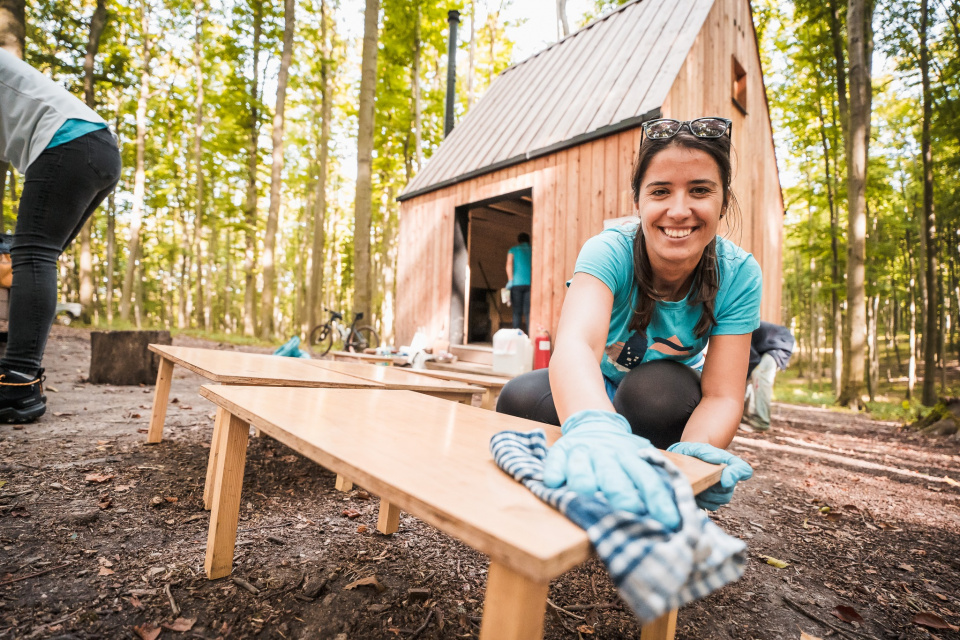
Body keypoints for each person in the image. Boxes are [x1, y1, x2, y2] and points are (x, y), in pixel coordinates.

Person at [497, 117, 759, 527]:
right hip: (597, 383)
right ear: (638, 201)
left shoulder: (739, 273)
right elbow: (577, 345)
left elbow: (723, 394)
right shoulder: (608, 250)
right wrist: (594, 426)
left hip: (661, 398)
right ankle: (573, 493)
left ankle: (653, 489)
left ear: (723, 201)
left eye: (700, 190)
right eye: (660, 191)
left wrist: (692, 456)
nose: (678, 210)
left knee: (653, 392)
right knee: (517, 398)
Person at [0, 49, 122, 424]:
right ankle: (22, 381)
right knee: (31, 257)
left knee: (32, 256)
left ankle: (17, 384)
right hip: (97, 147)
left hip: (68, 143)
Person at [742, 321, 795, 431]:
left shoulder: (740, 333)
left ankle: (762, 422)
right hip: (773, 345)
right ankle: (745, 416)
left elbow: (753, 360)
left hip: (781, 344)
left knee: (759, 375)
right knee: (752, 377)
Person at [505, 232, 532, 333]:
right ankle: (530, 336)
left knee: (517, 312)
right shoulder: (533, 250)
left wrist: (510, 280)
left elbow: (509, 265)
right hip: (529, 284)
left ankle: (516, 335)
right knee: (528, 312)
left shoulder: (513, 250)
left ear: (518, 240)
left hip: (516, 284)